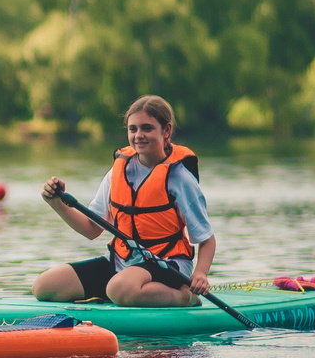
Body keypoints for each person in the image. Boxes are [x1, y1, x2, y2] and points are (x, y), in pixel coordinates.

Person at [32, 94, 217, 308]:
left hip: (168, 265)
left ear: (166, 130)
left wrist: (200, 274)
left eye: (147, 128)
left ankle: (184, 298)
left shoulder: (179, 177)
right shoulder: (118, 170)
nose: (139, 135)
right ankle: (127, 293)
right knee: (44, 287)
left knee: (119, 288)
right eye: (133, 129)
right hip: (122, 262)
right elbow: (92, 229)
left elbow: (206, 239)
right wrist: (56, 204)